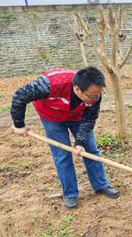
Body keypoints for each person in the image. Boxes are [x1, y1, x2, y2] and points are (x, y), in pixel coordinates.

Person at [11, 67, 119, 209]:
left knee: (91, 150)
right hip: (52, 118)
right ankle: (70, 194)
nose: (96, 99)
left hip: (78, 117)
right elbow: (20, 95)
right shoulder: (49, 84)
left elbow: (89, 119)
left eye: (98, 95)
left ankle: (100, 185)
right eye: (92, 96)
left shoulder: (95, 94)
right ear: (77, 89)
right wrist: (19, 124)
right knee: (62, 156)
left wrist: (80, 141)